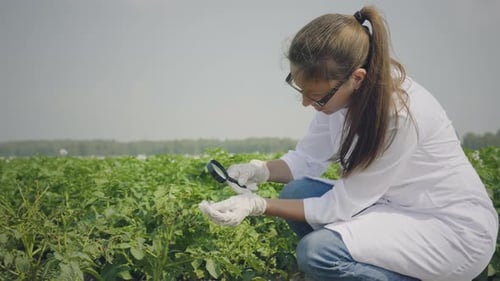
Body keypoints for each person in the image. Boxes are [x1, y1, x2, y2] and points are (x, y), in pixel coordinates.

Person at [199, 5, 498, 281]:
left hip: (448, 231)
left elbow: (339, 206)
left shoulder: (400, 114)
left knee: (318, 252)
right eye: (301, 90)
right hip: (392, 206)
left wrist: (258, 204)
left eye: (315, 96)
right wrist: (259, 170)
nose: (305, 103)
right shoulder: (339, 96)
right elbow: (305, 160)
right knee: (297, 190)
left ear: (356, 77)